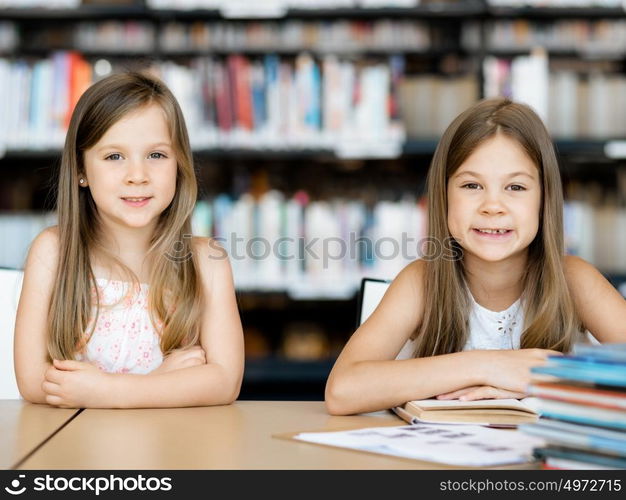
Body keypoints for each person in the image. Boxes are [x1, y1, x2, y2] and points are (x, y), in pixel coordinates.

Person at [325, 97, 626, 415]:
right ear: (443, 196)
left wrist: (552, 379)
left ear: (545, 199)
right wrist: (489, 365)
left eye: (516, 187)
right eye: (471, 185)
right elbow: (342, 391)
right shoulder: (421, 282)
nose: (492, 206)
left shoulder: (574, 279)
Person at [14, 72, 244, 408]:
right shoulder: (52, 251)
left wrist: (105, 390)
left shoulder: (206, 260)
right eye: (114, 157)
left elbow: (225, 381)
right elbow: (34, 381)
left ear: (179, 165)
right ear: (81, 170)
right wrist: (159, 382)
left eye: (156, 155)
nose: (137, 176)